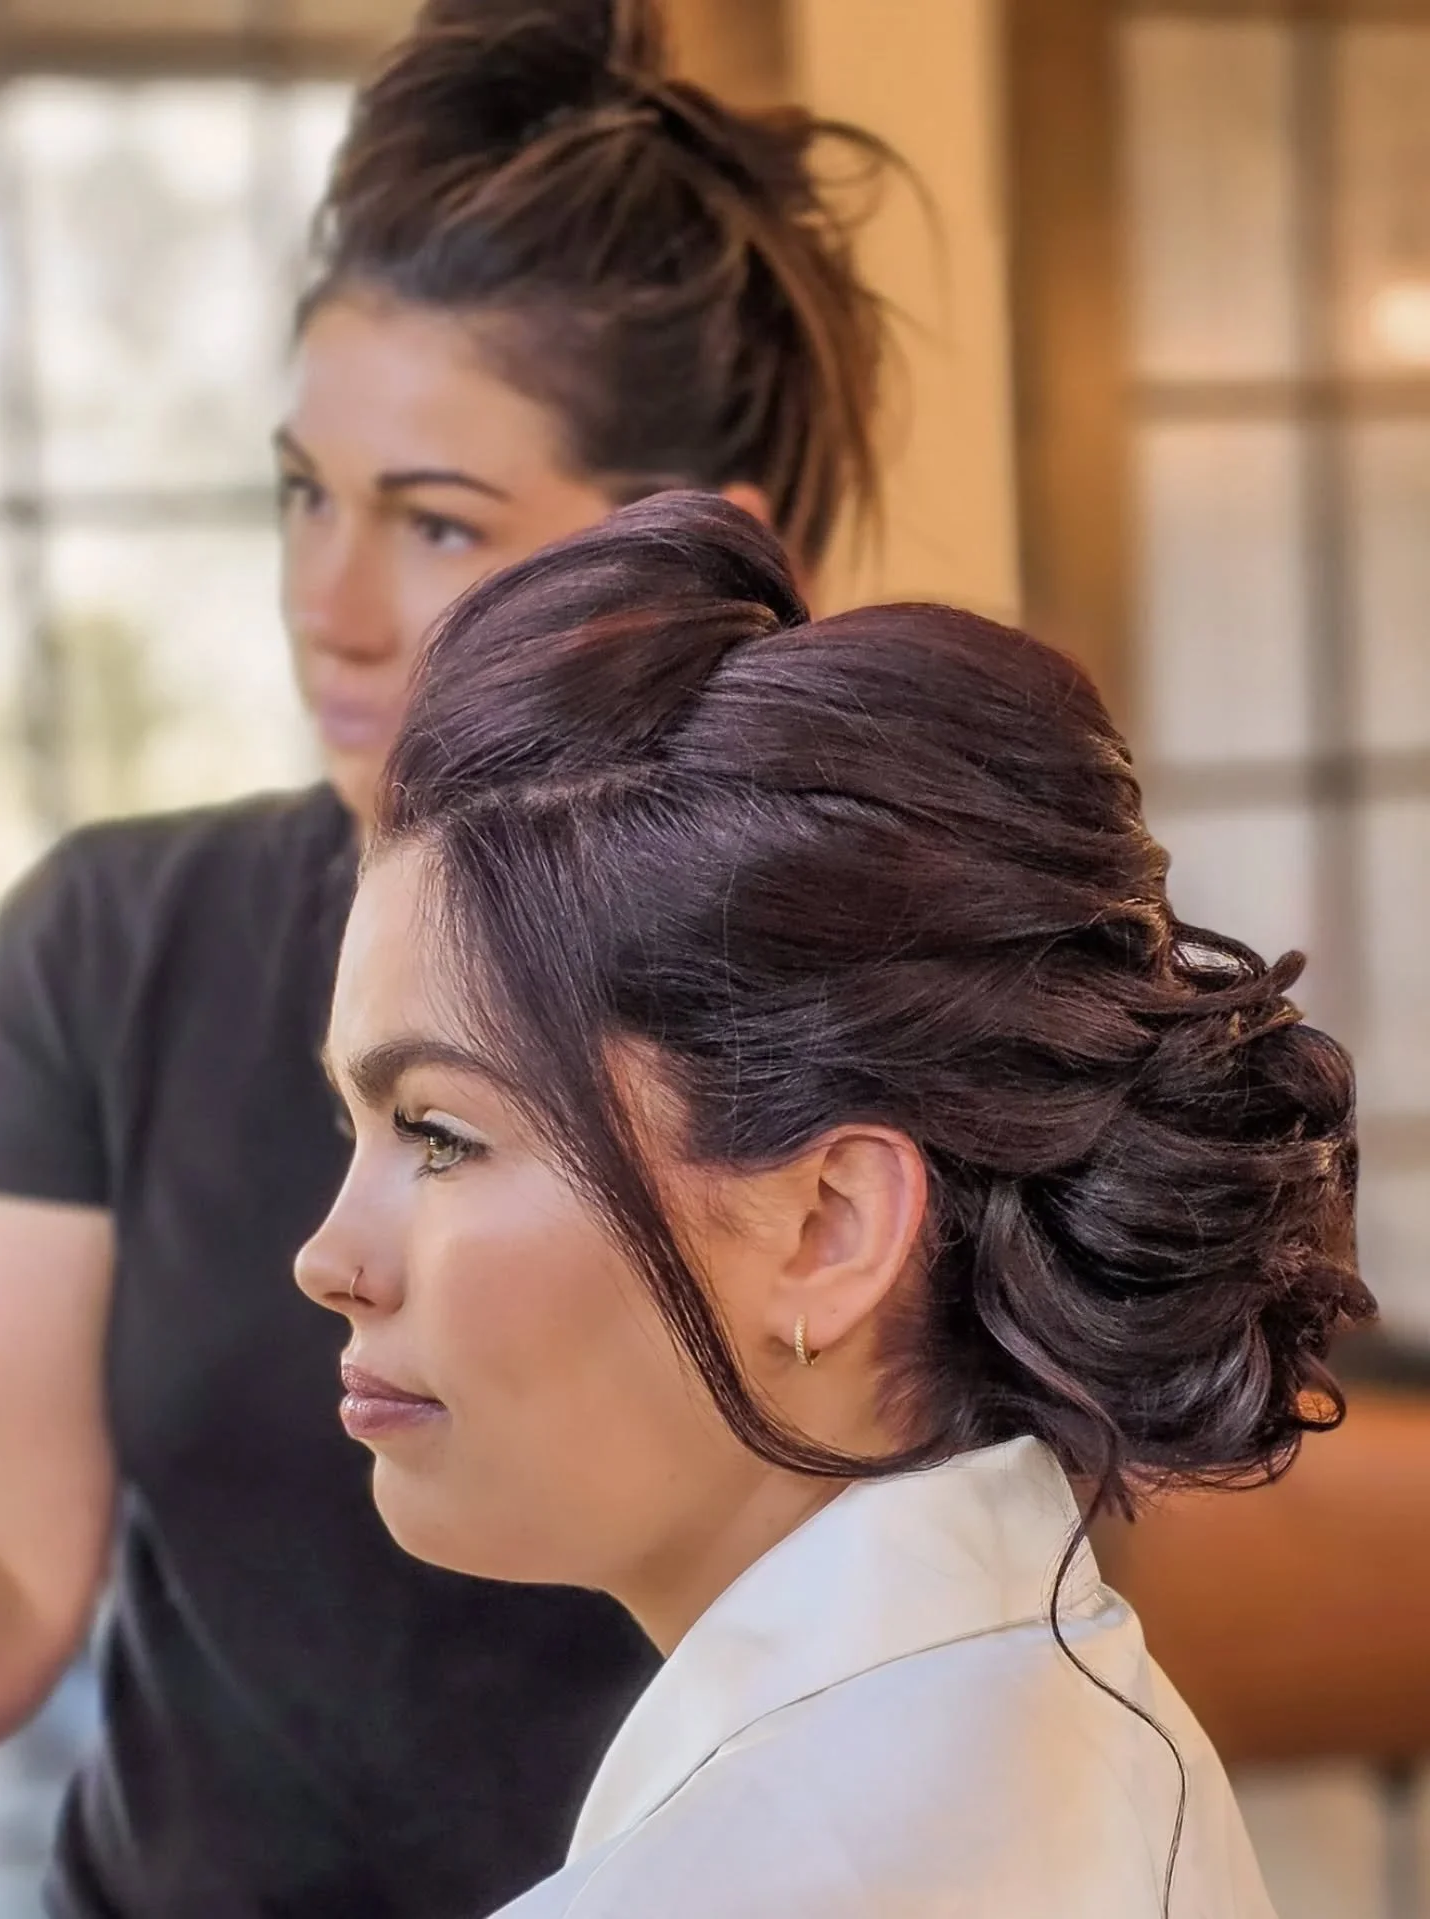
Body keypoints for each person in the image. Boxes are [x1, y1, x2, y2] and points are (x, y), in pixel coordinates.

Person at [0, 4, 893, 1913]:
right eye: (305, 492)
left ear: (697, 550)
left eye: (434, 521)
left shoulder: (850, 1010)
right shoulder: (106, 939)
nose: (324, 603)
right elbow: (14, 1588)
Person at [298, 492, 1374, 1919]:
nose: (330, 1258)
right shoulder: (1084, 1720)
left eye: (437, 1132)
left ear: (828, 1227)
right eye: (354, 1123)